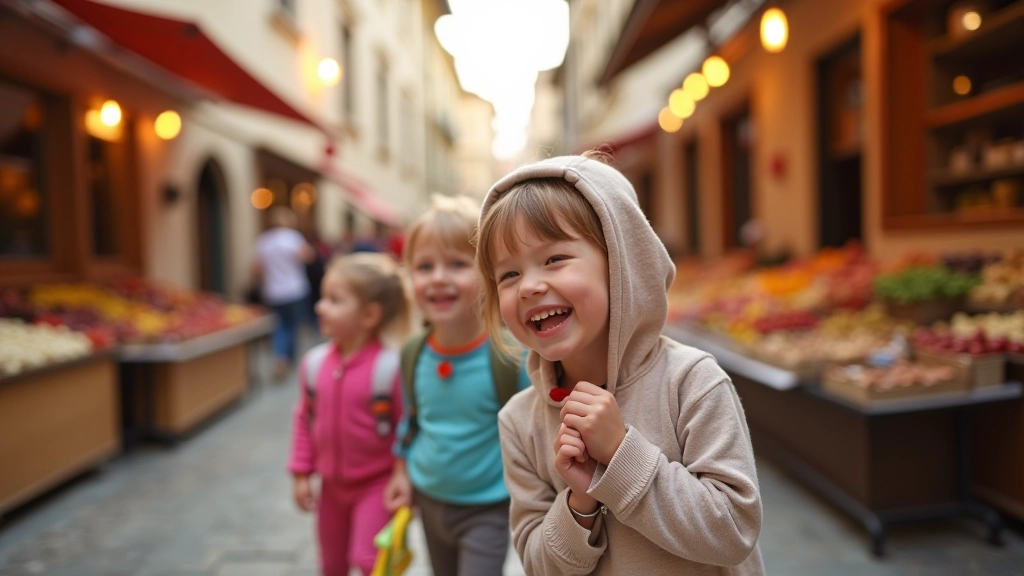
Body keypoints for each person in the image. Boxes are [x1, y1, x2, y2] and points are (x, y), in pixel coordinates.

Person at [475, 154, 765, 575]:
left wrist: (620, 455)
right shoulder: (519, 423)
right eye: (508, 275)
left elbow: (734, 531)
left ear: (620, 263)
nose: (531, 286)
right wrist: (580, 504)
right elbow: (537, 565)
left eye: (555, 259)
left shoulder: (692, 381)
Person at [382, 194, 530, 576]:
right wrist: (401, 472)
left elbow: (535, 430)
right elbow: (412, 420)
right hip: (430, 501)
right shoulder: (413, 352)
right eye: (425, 266)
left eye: (457, 264)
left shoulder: (510, 355)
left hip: (488, 507)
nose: (438, 278)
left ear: (489, 275)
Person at [288, 252, 412, 576]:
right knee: (331, 566)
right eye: (322, 297)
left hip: (376, 485)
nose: (320, 306)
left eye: (333, 299)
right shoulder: (313, 365)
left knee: (371, 562)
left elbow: (407, 426)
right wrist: (302, 474)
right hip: (330, 488)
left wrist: (401, 473)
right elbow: (304, 419)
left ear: (370, 314)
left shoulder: (390, 368)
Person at [253, 206, 314, 378]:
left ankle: (281, 358)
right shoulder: (293, 238)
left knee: (279, 326)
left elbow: (257, 269)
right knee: (293, 325)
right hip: (294, 289)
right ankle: (289, 358)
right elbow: (308, 256)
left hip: (272, 291)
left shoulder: (263, 241)